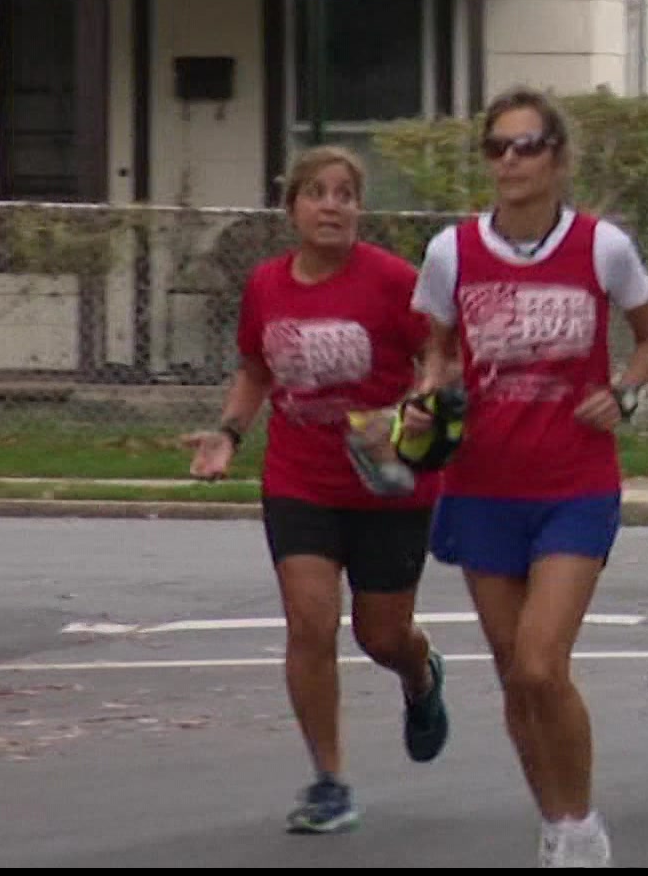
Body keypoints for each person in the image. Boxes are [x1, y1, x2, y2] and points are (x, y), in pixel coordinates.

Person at [405, 87, 648, 868]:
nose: (511, 162)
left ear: (557, 157)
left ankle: (583, 825)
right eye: (497, 148)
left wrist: (624, 392)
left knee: (541, 662)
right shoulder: (453, 253)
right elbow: (438, 350)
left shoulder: (602, 248)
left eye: (526, 146)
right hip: (483, 484)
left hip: (574, 483)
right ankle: (554, 820)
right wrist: (427, 398)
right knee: (513, 678)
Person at [185, 146, 450, 835]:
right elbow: (254, 369)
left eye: (344, 194)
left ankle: (420, 676)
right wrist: (227, 434)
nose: (331, 205)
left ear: (359, 209)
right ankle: (329, 781)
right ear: (293, 208)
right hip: (301, 477)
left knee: (381, 632)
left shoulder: (394, 281)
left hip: (389, 481)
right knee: (309, 622)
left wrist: (418, 404)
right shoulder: (268, 285)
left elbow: (439, 354)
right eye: (317, 192)